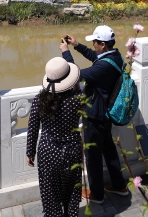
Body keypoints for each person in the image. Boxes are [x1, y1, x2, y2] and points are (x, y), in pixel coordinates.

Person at [59, 25, 128, 204]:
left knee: (93, 156)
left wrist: (66, 53)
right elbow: (95, 57)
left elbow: (75, 75)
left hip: (95, 115)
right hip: (107, 112)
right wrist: (77, 45)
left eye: (95, 42)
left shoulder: (103, 67)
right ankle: (119, 185)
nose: (94, 45)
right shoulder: (115, 56)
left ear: (103, 44)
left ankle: (97, 194)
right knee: (109, 150)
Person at [26, 57, 83, 217]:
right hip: (72, 151)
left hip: (48, 151)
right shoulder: (77, 100)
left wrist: (30, 152)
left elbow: (33, 127)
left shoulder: (39, 100)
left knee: (50, 193)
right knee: (72, 191)